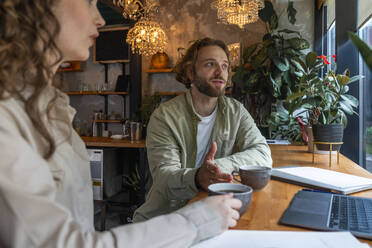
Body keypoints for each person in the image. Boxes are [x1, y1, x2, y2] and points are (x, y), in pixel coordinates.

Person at [0, 1, 242, 247]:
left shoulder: (51, 106)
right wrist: (197, 221)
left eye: (224, 66)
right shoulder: (7, 115)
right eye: (89, 2)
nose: (101, 19)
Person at [134, 38, 273, 222]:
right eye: (210, 64)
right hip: (165, 219)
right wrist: (198, 177)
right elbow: (164, 179)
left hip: (211, 215)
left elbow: (263, 154)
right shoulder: (164, 117)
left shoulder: (236, 111)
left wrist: (219, 168)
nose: (220, 72)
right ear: (190, 72)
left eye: (224, 66)